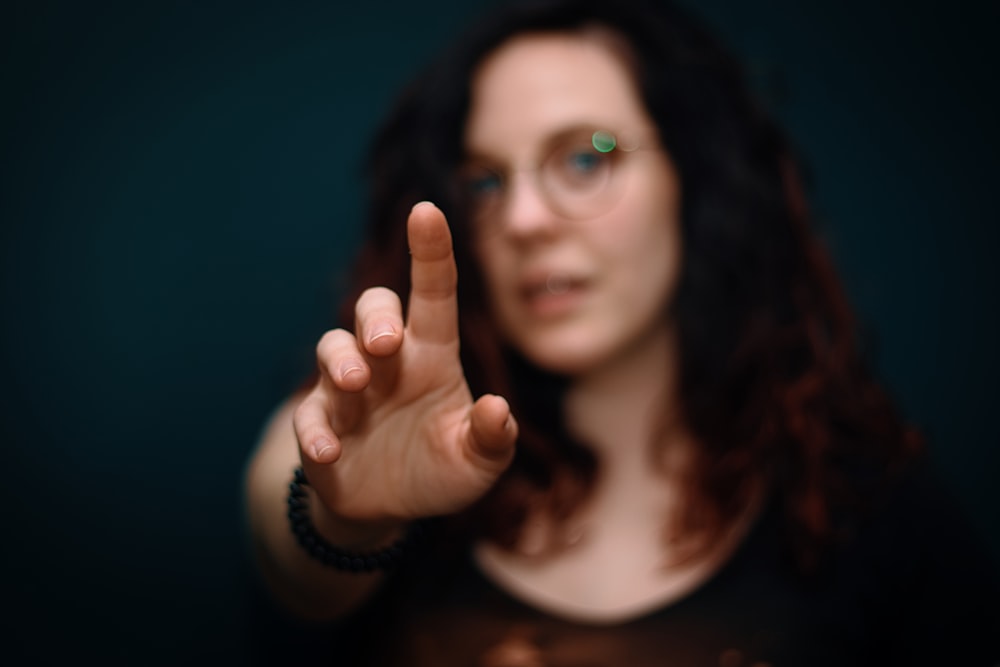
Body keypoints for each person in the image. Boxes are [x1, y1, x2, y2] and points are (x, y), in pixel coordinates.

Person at [244, 0, 999, 664]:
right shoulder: (372, 428)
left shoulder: (862, 501)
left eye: (586, 156)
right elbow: (297, 539)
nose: (524, 220)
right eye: (484, 181)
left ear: (697, 180)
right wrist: (347, 516)